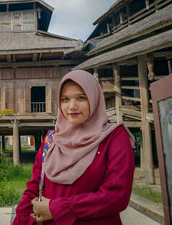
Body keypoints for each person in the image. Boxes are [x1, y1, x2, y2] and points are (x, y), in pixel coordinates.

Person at [13, 70, 135, 225]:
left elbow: (116, 196)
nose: (72, 106)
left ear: (94, 98)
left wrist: (57, 208)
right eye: (65, 99)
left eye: (81, 98)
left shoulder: (114, 137)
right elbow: (33, 188)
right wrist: (22, 219)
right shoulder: (51, 140)